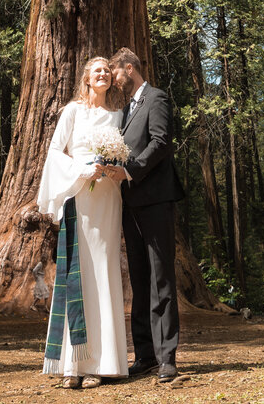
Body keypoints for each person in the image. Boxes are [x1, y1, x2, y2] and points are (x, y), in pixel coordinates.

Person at [37, 56, 129, 389]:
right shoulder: (73, 111)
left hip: (107, 199)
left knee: (103, 272)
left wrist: (112, 167)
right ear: (87, 79)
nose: (103, 74)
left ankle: (101, 363)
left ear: (111, 79)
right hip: (80, 195)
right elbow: (53, 151)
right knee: (78, 273)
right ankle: (72, 364)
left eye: (107, 70)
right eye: (97, 71)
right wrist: (80, 171)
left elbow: (125, 156)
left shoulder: (119, 116)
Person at [104, 47, 184, 384]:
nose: (113, 80)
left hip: (155, 201)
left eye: (116, 73)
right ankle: (146, 355)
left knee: (160, 278)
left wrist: (131, 170)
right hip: (130, 204)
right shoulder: (123, 112)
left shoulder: (157, 98)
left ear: (128, 68)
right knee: (138, 280)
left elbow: (161, 142)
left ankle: (167, 358)